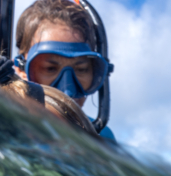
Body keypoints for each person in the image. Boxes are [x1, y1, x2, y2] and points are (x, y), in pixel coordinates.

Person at [13, 0, 116, 142]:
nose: (67, 93)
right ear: (21, 69)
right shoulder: (3, 126)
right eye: (50, 68)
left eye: (81, 69)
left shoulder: (104, 138)